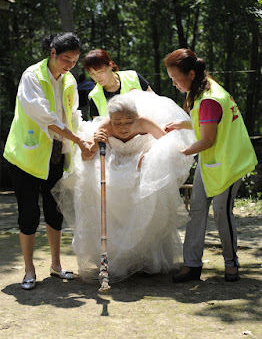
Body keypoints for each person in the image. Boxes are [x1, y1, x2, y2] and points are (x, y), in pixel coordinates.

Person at [53, 90, 195, 282]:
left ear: (136, 117)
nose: (123, 127)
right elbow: (87, 156)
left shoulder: (144, 122)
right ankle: (114, 260)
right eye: (117, 122)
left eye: (129, 121)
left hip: (143, 167)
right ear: (111, 119)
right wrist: (96, 142)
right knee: (105, 196)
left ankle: (146, 260)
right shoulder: (105, 126)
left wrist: (148, 157)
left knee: (147, 201)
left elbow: (168, 145)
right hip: (114, 168)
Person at [3, 32, 92, 290]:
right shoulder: (31, 76)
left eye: (74, 61)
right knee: (28, 214)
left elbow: (72, 113)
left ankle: (56, 264)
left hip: (55, 156)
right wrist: (77, 139)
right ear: (52, 53)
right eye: (66, 59)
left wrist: (85, 136)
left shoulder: (69, 80)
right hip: (26, 157)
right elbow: (46, 117)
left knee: (55, 212)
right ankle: (29, 270)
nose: (70, 65)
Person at [164, 48, 258, 283]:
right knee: (196, 210)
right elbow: (204, 124)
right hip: (211, 162)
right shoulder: (202, 89)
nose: (174, 84)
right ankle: (192, 265)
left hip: (229, 162)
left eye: (176, 78)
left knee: (221, 212)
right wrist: (182, 125)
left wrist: (181, 152)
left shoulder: (208, 99)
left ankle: (231, 263)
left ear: (192, 74)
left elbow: (207, 139)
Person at [83, 48, 153, 118]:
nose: (97, 77)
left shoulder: (133, 77)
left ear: (110, 65)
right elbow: (98, 125)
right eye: (92, 74)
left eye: (100, 72)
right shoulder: (94, 97)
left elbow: (155, 103)